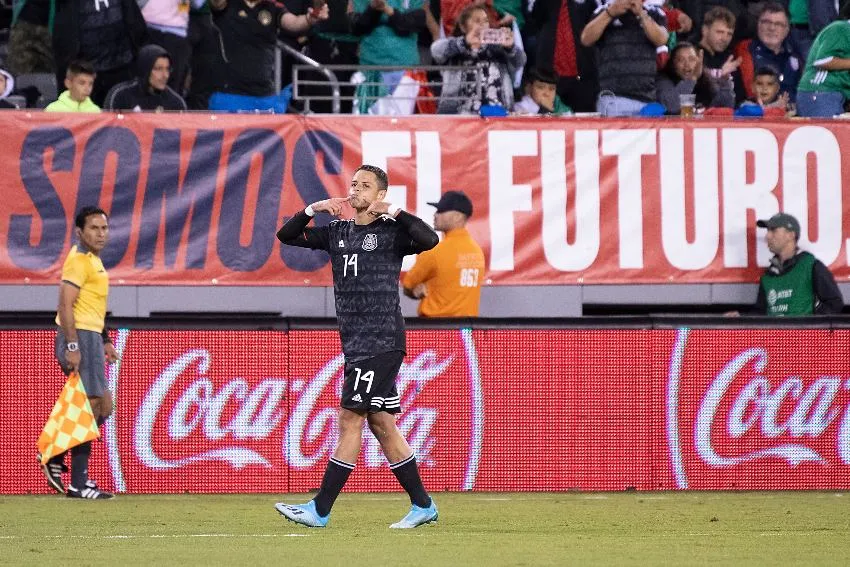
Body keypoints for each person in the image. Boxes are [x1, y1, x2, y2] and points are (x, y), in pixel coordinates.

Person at [274, 165, 440, 529]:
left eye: (365, 186)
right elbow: (287, 235)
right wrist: (313, 208)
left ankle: (319, 509)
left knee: (350, 418)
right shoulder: (337, 232)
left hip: (381, 341)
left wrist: (395, 212)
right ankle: (423, 505)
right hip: (356, 343)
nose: (356, 190)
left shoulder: (391, 232)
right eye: (353, 184)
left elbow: (430, 240)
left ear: (380, 194)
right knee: (381, 423)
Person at [41, 206, 119, 499]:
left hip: (91, 336)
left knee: (103, 407)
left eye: (104, 228)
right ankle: (74, 476)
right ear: (79, 232)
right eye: (94, 228)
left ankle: (59, 457)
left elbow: (92, 306)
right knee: (93, 405)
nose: (101, 234)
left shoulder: (93, 261)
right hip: (79, 338)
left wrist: (105, 339)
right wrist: (73, 345)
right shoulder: (78, 261)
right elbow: (65, 305)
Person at [208, 0, 328, 113]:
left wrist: (311, 18)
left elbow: (294, 23)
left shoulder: (273, 7)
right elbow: (216, 3)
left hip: (263, 94)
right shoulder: (226, 4)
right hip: (228, 94)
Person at [728, 212, 844, 316]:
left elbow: (834, 303)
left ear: (791, 235)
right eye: (768, 231)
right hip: (774, 339)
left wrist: (812, 328)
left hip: (804, 339)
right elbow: (761, 313)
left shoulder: (811, 266)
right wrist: (741, 319)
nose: (767, 236)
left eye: (773, 230)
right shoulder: (768, 276)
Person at [431, 4, 526, 114]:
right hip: (461, 117)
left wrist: (510, 47)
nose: (482, 24)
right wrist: (465, 42)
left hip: (497, 113)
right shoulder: (454, 47)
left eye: (485, 21)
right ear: (463, 26)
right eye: (477, 21)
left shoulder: (497, 48)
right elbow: (435, 51)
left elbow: (520, 62)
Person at [402, 191, 485, 317]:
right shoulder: (477, 252)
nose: (435, 215)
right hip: (466, 332)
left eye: (441, 211)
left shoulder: (435, 251)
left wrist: (414, 291)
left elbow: (408, 285)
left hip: (437, 330)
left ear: (457, 216)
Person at [580, 0, 669, 117]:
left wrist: (642, 14)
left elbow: (661, 39)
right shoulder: (604, 10)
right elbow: (586, 39)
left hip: (646, 99)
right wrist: (610, 13)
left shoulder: (654, 11)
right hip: (613, 99)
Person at [733, 3, 802, 104]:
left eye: (778, 24)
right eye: (766, 22)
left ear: (787, 30)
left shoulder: (794, 56)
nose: (772, 28)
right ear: (758, 25)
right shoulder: (746, 49)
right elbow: (749, 92)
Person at [796, 3, 850, 118]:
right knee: (826, 134)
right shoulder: (840, 28)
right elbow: (822, 61)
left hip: (837, 96)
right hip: (819, 92)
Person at [655, 41, 734, 113]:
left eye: (692, 59)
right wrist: (692, 79)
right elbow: (672, 106)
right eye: (681, 60)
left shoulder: (706, 78)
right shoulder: (663, 80)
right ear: (672, 63)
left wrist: (725, 81)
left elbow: (725, 107)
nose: (687, 65)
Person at [103, 44, 188, 112]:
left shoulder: (176, 103)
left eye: (167, 69)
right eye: (158, 69)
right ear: (145, 69)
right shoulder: (120, 95)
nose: (165, 75)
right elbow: (109, 130)